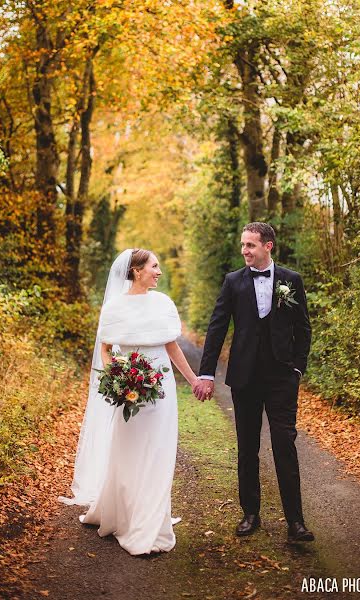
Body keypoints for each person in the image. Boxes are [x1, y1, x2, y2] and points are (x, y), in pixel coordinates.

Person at [59, 248, 198, 556]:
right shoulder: (115, 307)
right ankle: (127, 517)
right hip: (130, 392)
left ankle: (152, 521)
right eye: (154, 266)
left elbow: (172, 348)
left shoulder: (163, 303)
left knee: (159, 452)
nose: (159, 271)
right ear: (137, 271)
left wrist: (194, 380)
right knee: (130, 451)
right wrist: (118, 377)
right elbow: (106, 349)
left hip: (161, 390)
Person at [193, 222, 314, 543]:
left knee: (284, 445)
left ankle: (296, 522)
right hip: (244, 379)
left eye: (250, 245)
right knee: (247, 448)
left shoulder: (292, 280)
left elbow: (304, 329)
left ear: (268, 246)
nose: (245, 251)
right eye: (243, 245)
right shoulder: (233, 282)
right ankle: (251, 514)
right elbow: (217, 327)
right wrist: (206, 373)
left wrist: (297, 369)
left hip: (281, 379)